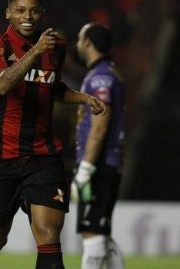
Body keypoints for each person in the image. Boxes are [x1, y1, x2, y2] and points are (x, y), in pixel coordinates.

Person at [0, 0, 108, 269]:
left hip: (43, 156)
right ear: (8, 12)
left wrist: (83, 97)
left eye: (34, 11)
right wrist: (33, 53)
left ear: (42, 13)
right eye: (20, 10)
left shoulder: (56, 47)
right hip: (1, 156)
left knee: (48, 234)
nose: (28, 16)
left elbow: (50, 87)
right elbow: (3, 84)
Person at [72, 22, 126, 269]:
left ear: (88, 43)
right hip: (106, 163)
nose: (77, 44)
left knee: (92, 234)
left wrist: (86, 168)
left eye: (79, 39)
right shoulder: (107, 73)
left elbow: (100, 126)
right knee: (100, 232)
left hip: (99, 164)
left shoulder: (100, 78)